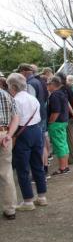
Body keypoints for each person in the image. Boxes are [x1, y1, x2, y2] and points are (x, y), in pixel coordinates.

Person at [6, 73, 48, 210]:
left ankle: (28, 200)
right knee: (37, 164)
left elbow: (14, 120)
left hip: (22, 133)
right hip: (36, 131)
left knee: (22, 168)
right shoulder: (32, 98)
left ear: (13, 86)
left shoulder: (15, 100)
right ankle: (41, 196)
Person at [0, 85, 20, 219]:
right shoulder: (7, 95)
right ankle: (10, 209)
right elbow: (16, 117)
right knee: (6, 172)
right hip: (4, 134)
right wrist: (9, 135)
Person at [47, 76, 71, 175]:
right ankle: (65, 166)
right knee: (64, 144)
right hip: (63, 121)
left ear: (53, 84)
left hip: (56, 123)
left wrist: (50, 122)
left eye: (48, 84)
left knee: (59, 145)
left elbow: (56, 111)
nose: (47, 86)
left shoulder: (55, 95)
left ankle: (62, 168)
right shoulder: (62, 93)